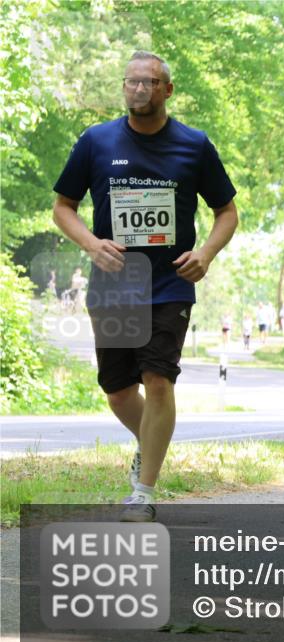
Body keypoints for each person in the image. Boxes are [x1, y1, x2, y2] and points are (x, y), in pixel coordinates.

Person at [51, 50, 238, 522]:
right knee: (117, 390)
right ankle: (150, 444)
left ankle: (144, 490)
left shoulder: (194, 146)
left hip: (170, 282)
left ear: (167, 89)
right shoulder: (95, 141)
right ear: (124, 86)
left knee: (158, 379)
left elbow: (227, 212)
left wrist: (206, 254)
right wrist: (93, 245)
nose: (140, 89)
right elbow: (63, 207)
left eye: (150, 82)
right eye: (132, 82)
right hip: (114, 284)